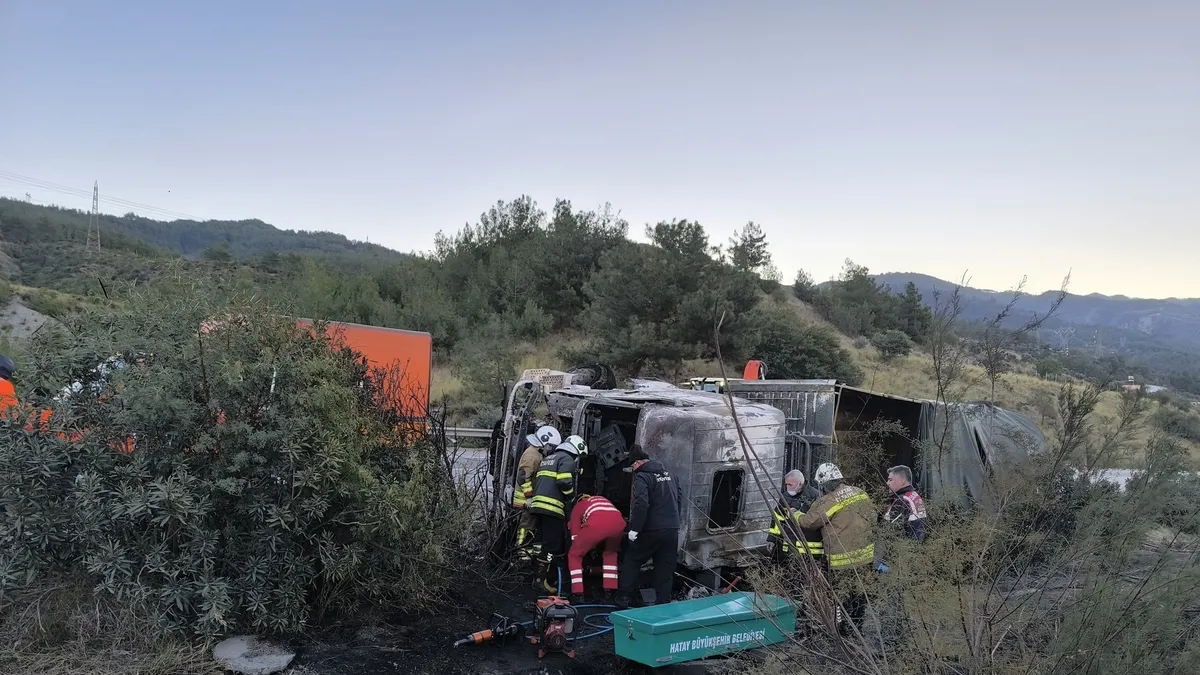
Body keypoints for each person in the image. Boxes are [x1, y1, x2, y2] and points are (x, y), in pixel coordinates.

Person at [797, 462, 876, 633]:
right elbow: (873, 518)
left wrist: (794, 514)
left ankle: (844, 631)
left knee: (842, 597)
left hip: (842, 561)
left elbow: (808, 522)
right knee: (860, 595)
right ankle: (857, 629)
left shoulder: (829, 500)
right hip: (866, 558)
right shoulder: (861, 493)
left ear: (825, 483)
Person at [616, 445, 683, 607]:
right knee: (665, 568)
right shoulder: (671, 475)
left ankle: (624, 597)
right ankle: (663, 603)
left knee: (632, 559)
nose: (633, 469)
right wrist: (674, 521)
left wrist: (634, 529)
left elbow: (641, 504)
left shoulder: (642, 477)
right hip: (672, 529)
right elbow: (679, 498)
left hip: (651, 529)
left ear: (638, 462)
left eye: (632, 466)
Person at [529, 434, 585, 594]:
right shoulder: (567, 459)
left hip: (538, 505)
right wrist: (572, 496)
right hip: (551, 508)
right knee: (552, 546)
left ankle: (542, 576)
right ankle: (540, 581)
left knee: (543, 543)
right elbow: (564, 481)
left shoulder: (550, 457)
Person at [513, 425, 561, 561]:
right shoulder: (532, 455)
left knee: (533, 530)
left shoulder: (537, 453)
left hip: (531, 501)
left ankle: (533, 558)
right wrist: (529, 497)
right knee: (525, 529)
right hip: (524, 502)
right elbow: (523, 477)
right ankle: (521, 556)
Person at [566, 493, 626, 600]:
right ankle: (609, 591)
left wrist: (580, 545)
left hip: (596, 525)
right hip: (619, 524)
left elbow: (574, 534)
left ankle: (578, 593)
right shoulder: (602, 499)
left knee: (574, 555)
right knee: (610, 553)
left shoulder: (579, 505)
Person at [768, 469, 824, 561]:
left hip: (811, 552)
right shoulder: (785, 497)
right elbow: (777, 519)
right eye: (786, 484)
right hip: (789, 549)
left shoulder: (816, 496)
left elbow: (817, 521)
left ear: (800, 483)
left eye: (790, 485)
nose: (787, 487)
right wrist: (772, 539)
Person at [882, 465, 927, 542]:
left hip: (903, 550)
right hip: (914, 548)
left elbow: (890, 533)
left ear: (902, 480)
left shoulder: (902, 500)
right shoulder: (913, 496)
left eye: (890, 480)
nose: (887, 483)